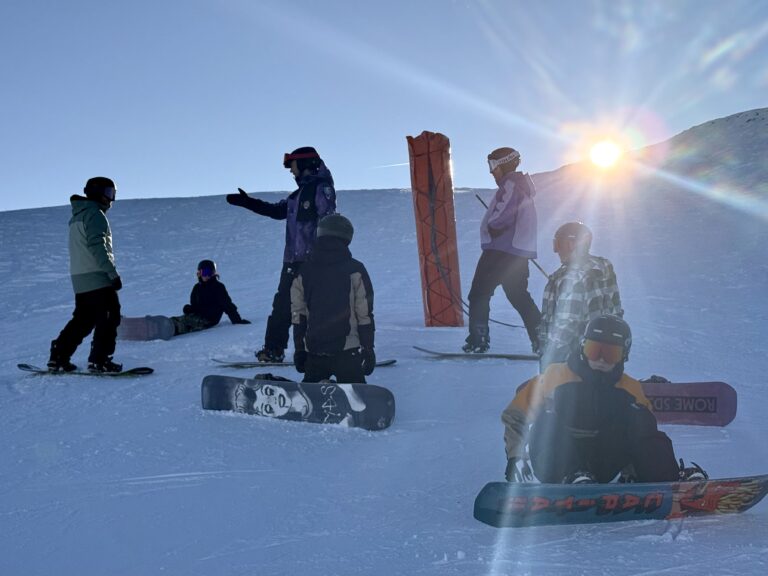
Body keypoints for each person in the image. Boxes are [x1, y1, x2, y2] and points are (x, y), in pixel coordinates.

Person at [501, 315, 708, 484]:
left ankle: (668, 479)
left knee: (640, 416)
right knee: (546, 419)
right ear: (582, 347)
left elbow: (645, 436)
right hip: (558, 461)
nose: (600, 359)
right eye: (594, 349)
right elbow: (514, 417)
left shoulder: (631, 388)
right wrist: (515, 457)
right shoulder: (554, 377)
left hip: (605, 461)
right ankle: (572, 475)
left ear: (624, 355)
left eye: (610, 353)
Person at [226, 147, 336, 362]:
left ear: (304, 165)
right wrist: (249, 202)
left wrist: (325, 256)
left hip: (315, 261)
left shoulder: (321, 189)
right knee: (282, 306)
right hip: (292, 262)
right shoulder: (296, 197)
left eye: (292, 166)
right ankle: (273, 350)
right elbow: (276, 211)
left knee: (316, 308)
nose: (291, 172)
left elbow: (329, 222)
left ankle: (324, 352)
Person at [463, 147, 541, 354]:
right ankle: (543, 339)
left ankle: (478, 339)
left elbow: (505, 212)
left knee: (479, 293)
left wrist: (493, 225)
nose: (491, 172)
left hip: (501, 250)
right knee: (518, 295)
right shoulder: (520, 185)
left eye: (493, 166)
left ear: (504, 164)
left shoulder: (512, 183)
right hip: (517, 252)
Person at [48, 177, 124, 373]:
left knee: (83, 319)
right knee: (109, 316)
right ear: (97, 192)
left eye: (112, 193)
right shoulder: (95, 215)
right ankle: (100, 359)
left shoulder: (76, 216)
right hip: (97, 276)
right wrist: (112, 273)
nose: (111, 199)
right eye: (109, 193)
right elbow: (97, 246)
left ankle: (59, 355)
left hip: (80, 279)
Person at [290, 214, 375, 383]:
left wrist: (300, 349)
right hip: (347, 352)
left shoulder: (303, 271)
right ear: (347, 237)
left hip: (315, 352)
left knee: (310, 400)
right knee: (357, 401)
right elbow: (364, 314)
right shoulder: (355, 269)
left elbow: (298, 315)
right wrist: (367, 348)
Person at [537, 222, 623, 370]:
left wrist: (550, 357)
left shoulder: (571, 278)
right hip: (607, 356)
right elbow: (616, 310)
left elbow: (566, 324)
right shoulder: (604, 266)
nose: (556, 251)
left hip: (574, 361)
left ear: (571, 244)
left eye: (558, 244)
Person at [170, 260, 251, 335]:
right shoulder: (197, 287)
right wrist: (190, 309)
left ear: (213, 273)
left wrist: (237, 320)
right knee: (177, 319)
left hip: (209, 319)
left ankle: (170, 329)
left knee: (183, 324)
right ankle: (164, 324)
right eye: (204, 272)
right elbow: (195, 305)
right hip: (197, 316)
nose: (206, 275)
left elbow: (227, 305)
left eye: (209, 272)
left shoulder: (218, 287)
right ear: (199, 273)